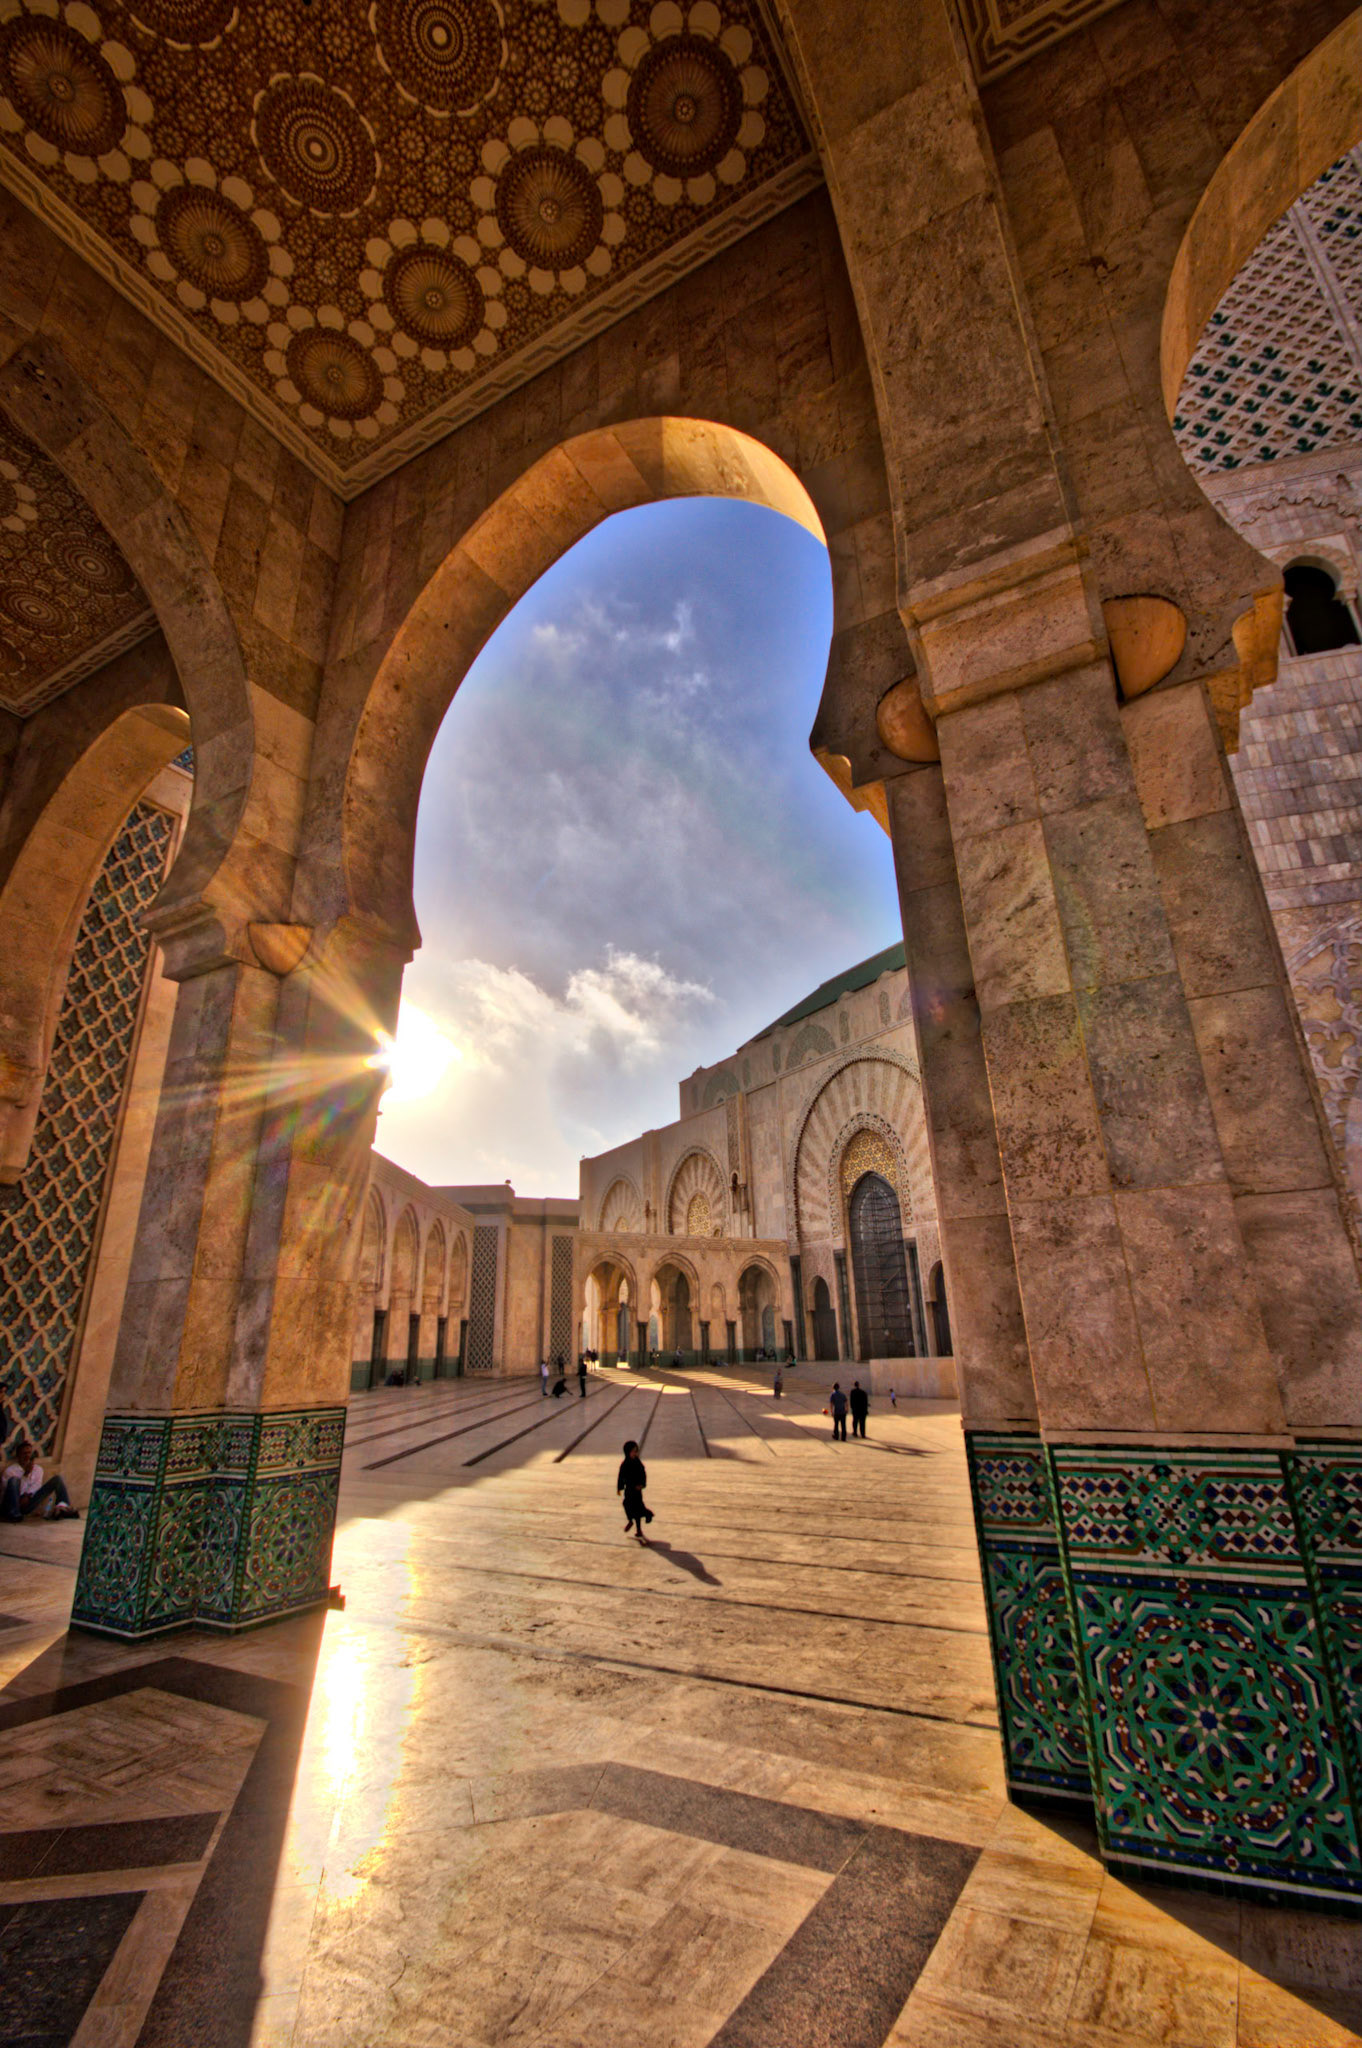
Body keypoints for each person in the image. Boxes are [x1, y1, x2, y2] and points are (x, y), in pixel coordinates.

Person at [2, 1440, 77, 1521]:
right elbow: (9, 1492)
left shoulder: (38, 1469)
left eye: (29, 1453)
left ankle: (64, 1508)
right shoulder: (10, 1470)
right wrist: (25, 1475)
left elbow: (37, 1486)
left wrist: (28, 1495)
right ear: (18, 1455)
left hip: (29, 1501)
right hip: (13, 1503)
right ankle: (14, 1514)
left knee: (57, 1479)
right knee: (14, 1480)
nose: (27, 1456)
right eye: (24, 1453)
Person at [617, 1439, 653, 1539]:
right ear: (627, 1452)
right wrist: (620, 1487)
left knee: (637, 1508)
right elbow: (621, 1476)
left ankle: (639, 1528)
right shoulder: (624, 1464)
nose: (635, 1453)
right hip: (629, 1489)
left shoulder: (638, 1463)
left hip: (637, 1490)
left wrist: (642, 1484)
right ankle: (631, 1520)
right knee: (626, 1504)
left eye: (636, 1451)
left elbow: (643, 1474)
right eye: (633, 1451)